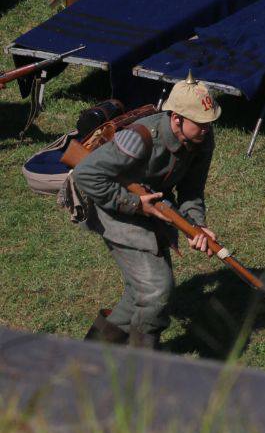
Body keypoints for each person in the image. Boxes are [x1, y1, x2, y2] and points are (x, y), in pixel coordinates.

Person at [73, 74, 221, 349]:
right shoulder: (139, 137)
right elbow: (86, 174)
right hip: (112, 205)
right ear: (176, 118)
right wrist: (134, 204)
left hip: (153, 208)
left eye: (209, 122)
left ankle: (92, 355)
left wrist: (196, 226)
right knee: (155, 291)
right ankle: (141, 362)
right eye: (200, 123)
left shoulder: (202, 141)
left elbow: (191, 191)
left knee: (140, 292)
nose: (206, 128)